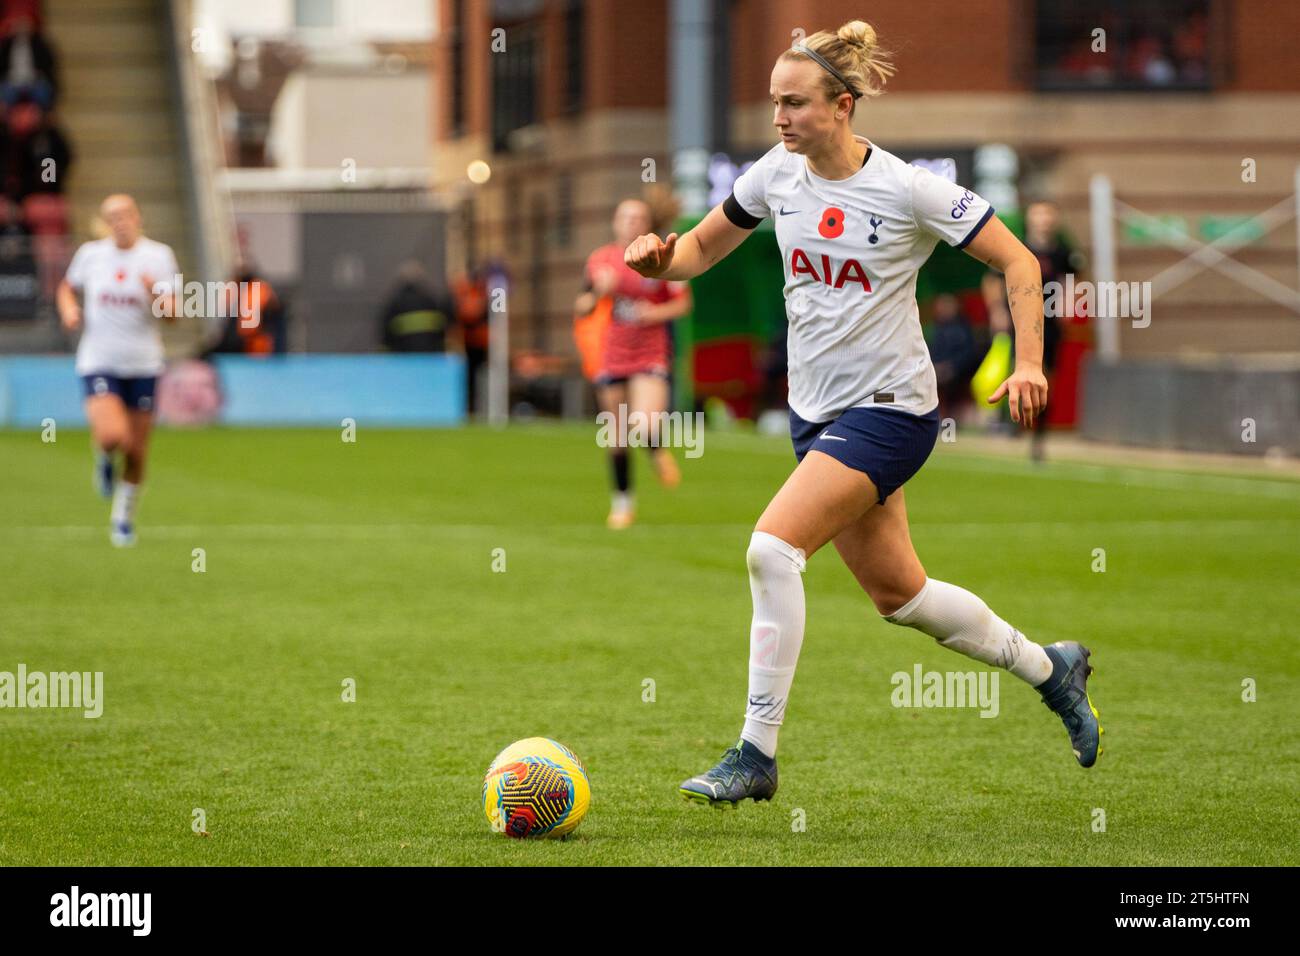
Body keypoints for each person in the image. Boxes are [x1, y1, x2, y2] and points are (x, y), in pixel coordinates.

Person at [624, 19, 1102, 807]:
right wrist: (659, 260)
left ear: (842, 106)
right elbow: (699, 251)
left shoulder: (909, 189)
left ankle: (756, 753)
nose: (779, 118)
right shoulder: (776, 173)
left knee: (771, 551)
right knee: (901, 597)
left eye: (794, 103)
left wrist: (1027, 364)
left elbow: (1017, 259)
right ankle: (1053, 668)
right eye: (776, 104)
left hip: (890, 413)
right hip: (815, 415)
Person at [56, 194, 179, 547]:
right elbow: (67, 287)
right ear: (105, 222)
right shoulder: (91, 255)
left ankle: (122, 517)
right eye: (112, 216)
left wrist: (154, 292)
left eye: (125, 214)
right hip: (99, 360)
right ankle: (104, 457)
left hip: (143, 363)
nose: (120, 221)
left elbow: (172, 315)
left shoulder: (158, 256)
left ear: (137, 217)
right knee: (113, 435)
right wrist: (69, 310)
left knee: (137, 452)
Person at [575, 197, 693, 529]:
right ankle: (623, 504)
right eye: (625, 217)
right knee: (617, 434)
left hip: (650, 352)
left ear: (647, 223)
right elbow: (581, 306)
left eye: (638, 217)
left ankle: (656, 450)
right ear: (615, 222)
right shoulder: (602, 260)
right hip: (614, 352)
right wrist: (599, 293)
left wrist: (653, 313)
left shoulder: (660, 257)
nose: (631, 223)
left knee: (642, 423)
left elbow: (683, 305)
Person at [377, 260, 453, 353]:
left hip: (403, 357)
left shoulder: (395, 303)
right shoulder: (431, 300)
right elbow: (443, 326)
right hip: (430, 356)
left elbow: (385, 333)